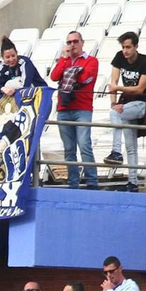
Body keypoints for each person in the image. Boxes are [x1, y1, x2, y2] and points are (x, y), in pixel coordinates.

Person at [103, 31, 146, 191]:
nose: (125, 51)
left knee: (115, 114)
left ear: (136, 46)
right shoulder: (119, 57)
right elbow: (113, 82)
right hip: (126, 104)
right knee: (131, 147)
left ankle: (116, 152)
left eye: (128, 47)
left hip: (141, 103)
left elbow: (140, 89)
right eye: (123, 47)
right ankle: (132, 183)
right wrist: (113, 103)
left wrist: (118, 89)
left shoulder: (145, 61)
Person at [48, 31, 98, 189]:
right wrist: (64, 59)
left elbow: (84, 78)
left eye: (75, 41)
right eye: (69, 42)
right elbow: (54, 76)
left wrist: (68, 72)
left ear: (82, 42)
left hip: (82, 107)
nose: (72, 45)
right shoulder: (64, 61)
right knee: (69, 149)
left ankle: (92, 182)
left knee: (84, 145)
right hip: (64, 108)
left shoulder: (91, 61)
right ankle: (73, 183)